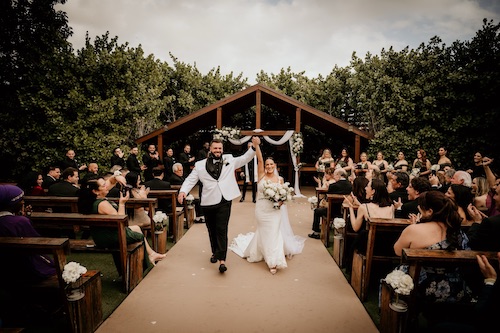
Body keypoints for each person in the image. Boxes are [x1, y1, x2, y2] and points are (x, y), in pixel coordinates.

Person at [177, 137, 260, 274]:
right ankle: (215, 252)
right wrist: (183, 192)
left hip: (224, 200)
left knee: (221, 229)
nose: (218, 150)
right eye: (215, 148)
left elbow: (244, 158)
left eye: (220, 148)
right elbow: (190, 180)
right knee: (212, 229)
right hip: (208, 201)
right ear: (210, 149)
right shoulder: (200, 165)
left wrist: (254, 147)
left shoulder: (229, 159)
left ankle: (222, 260)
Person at [229, 144, 305, 275]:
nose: (269, 166)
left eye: (271, 164)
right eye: (267, 164)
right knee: (265, 233)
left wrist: (281, 202)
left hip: (275, 211)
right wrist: (257, 146)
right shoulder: (261, 176)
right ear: (264, 167)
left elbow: (284, 196)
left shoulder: (280, 180)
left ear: (275, 166)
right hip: (262, 210)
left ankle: (273, 261)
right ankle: (263, 253)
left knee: (274, 234)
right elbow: (259, 159)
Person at [393, 191, 472, 312]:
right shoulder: (457, 231)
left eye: (421, 207)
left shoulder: (414, 230)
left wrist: (414, 228)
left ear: (430, 211)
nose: (418, 208)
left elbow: (398, 252)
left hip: (421, 286)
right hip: (457, 285)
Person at [77, 176, 166, 270]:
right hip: (109, 237)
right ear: (96, 191)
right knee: (139, 236)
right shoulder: (102, 204)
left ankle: (152, 254)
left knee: (136, 228)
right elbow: (120, 220)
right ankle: (140, 266)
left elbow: (110, 182)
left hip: (100, 235)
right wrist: (122, 203)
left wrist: (116, 177)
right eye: (103, 186)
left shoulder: (91, 201)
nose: (106, 186)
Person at [0, 185, 56, 282]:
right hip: (23, 268)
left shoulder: (10, 221)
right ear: (14, 204)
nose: (23, 202)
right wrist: (25, 219)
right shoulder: (19, 222)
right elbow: (37, 243)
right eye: (21, 200)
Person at [308, 168, 352, 239]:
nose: (334, 177)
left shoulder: (333, 186)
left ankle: (316, 232)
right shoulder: (350, 185)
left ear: (339, 175)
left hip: (332, 210)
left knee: (317, 211)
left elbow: (327, 198)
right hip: (344, 211)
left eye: (335, 175)